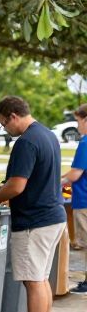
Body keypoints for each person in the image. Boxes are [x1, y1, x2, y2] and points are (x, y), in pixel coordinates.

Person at [0, 96, 66, 312]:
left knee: (33, 281)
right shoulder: (48, 135)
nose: (5, 130)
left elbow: (17, 185)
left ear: (13, 116)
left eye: (3, 124)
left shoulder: (26, 142)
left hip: (34, 221)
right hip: (53, 216)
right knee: (41, 279)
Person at [61, 104, 87, 295]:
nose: (77, 126)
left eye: (78, 121)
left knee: (85, 242)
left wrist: (55, 182)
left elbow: (75, 174)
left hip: (84, 200)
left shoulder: (85, 143)